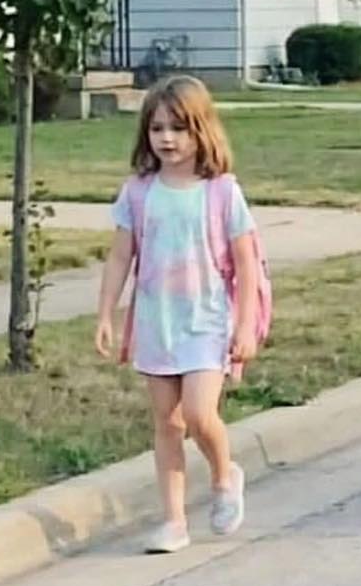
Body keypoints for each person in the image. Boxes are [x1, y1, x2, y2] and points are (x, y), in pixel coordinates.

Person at [95, 74, 262, 553]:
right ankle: (173, 521)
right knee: (167, 422)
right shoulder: (139, 193)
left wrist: (245, 325)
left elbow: (247, 264)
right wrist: (106, 313)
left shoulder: (222, 192)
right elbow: (121, 256)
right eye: (157, 128)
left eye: (179, 128)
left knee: (197, 412)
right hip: (156, 321)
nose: (167, 139)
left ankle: (225, 474)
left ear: (202, 131)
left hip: (208, 321)